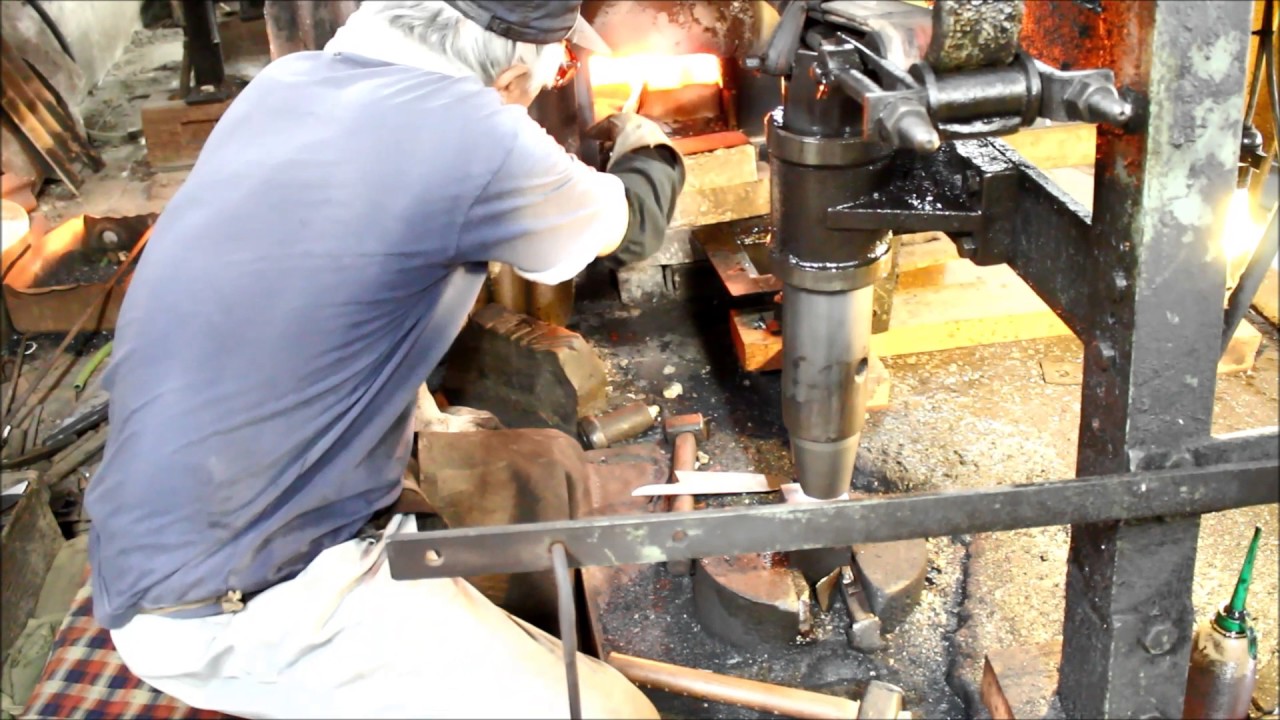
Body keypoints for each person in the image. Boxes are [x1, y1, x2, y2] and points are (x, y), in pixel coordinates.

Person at [82, 1, 686, 717]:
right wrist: (653, 148)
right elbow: (633, 225)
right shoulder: (474, 136)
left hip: (146, 537)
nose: (558, 79)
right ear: (515, 69)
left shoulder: (284, 85)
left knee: (517, 497)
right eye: (558, 63)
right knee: (614, 712)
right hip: (242, 601)